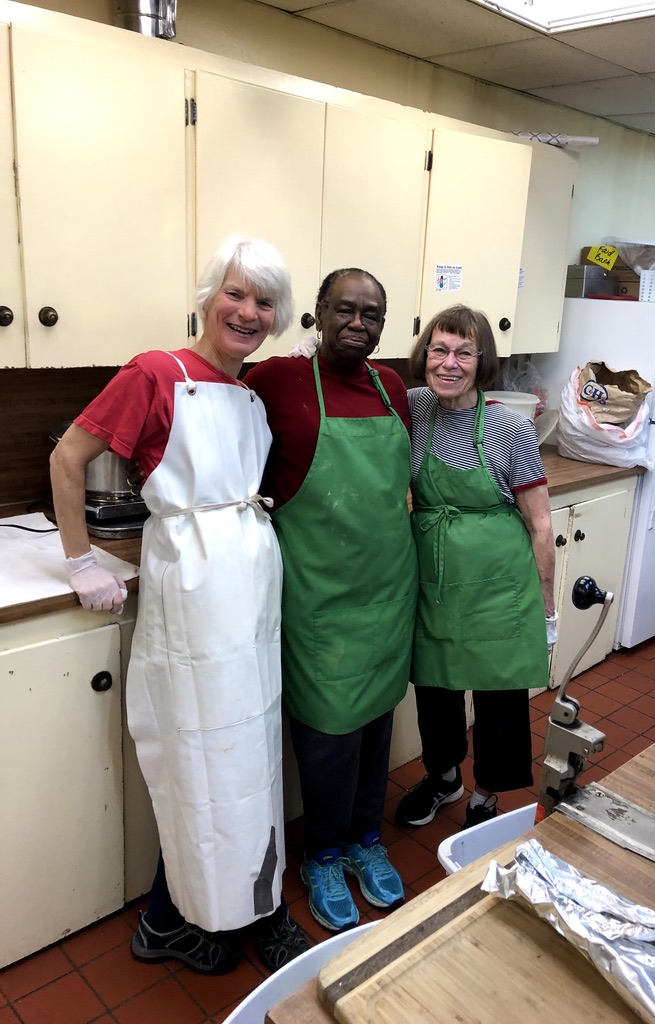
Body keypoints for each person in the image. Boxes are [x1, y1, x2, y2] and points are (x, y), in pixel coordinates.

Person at [49, 236, 308, 975]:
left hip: (250, 585)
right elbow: (69, 458)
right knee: (201, 755)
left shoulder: (251, 392)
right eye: (236, 293)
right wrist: (79, 563)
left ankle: (238, 904)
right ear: (206, 296)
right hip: (193, 586)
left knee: (248, 754)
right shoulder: (156, 373)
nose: (248, 312)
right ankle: (179, 916)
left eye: (264, 302)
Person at [243, 268, 418, 933]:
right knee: (326, 738)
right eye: (344, 309)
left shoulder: (392, 387)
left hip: (387, 587)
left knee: (376, 728)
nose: (358, 322)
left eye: (372, 314)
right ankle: (321, 856)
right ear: (317, 314)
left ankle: (365, 841)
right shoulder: (274, 383)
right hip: (317, 595)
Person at [395, 305, 558, 832]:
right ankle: (444, 779)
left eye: (464, 352)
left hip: (499, 583)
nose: (449, 363)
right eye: (439, 350)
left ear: (480, 359)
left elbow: (540, 524)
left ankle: (487, 795)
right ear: (425, 355)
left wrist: (548, 608)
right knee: (435, 688)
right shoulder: (414, 406)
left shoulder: (510, 428)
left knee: (500, 695)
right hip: (435, 580)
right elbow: (359, 382)